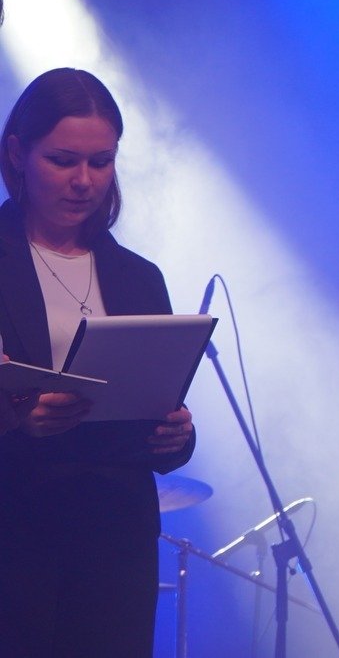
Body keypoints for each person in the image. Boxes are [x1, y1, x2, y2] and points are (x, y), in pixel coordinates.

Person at [0, 68, 196, 657]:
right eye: (63, 161)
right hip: (16, 536)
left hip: (115, 545)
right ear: (18, 153)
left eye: (101, 161)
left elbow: (156, 407)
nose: (84, 181)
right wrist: (15, 419)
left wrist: (175, 436)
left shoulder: (139, 276)